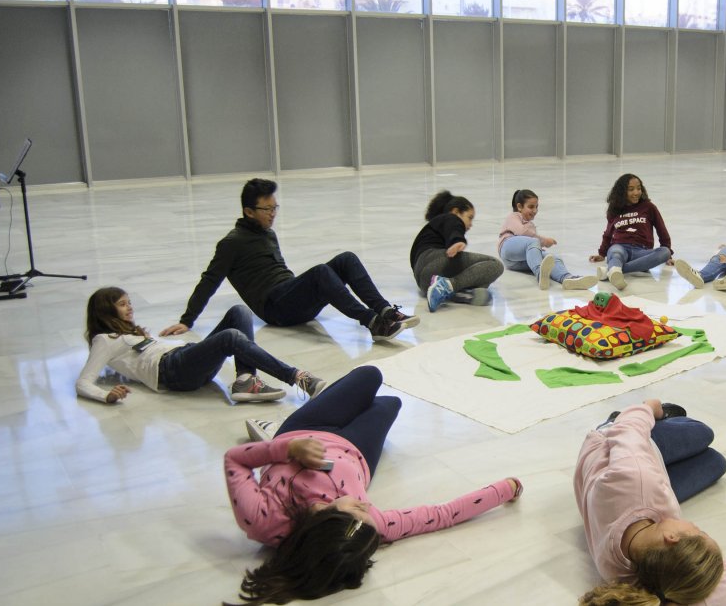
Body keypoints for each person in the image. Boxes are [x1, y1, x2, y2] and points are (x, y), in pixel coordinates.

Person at [225, 366, 522, 604]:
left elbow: (234, 461)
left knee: (372, 381)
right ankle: (344, 407)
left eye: (355, 507)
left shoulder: (263, 520)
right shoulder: (370, 526)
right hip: (357, 452)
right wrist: (506, 488)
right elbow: (443, 515)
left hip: (302, 432)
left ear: (327, 519)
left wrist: (286, 450)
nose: (366, 504)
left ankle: (273, 431)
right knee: (389, 400)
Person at [165, 178, 416, 344]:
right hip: (276, 309)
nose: (272, 215)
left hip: (291, 296)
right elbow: (210, 280)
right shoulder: (232, 243)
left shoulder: (267, 234)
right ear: (248, 211)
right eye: (267, 210)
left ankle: (385, 311)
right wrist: (187, 320)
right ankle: (373, 323)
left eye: (275, 208)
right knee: (319, 272)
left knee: (346, 259)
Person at [575, 399, 726, 606]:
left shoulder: (636, 476)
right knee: (716, 463)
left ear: (671, 537)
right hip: (626, 482)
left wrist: (650, 407)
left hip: (610, 441)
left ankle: (634, 418)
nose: (697, 527)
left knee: (703, 432)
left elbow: (626, 428)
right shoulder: (638, 580)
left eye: (700, 532)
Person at [76, 287, 323, 404]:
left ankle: (246, 379)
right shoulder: (104, 339)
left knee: (239, 312)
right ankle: (297, 377)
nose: (130, 307)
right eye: (122, 304)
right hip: (172, 370)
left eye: (129, 302)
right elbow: (83, 382)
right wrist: (105, 395)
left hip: (182, 358)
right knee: (231, 337)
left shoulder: (127, 332)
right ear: (106, 310)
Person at [410, 190, 504, 312]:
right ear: (456, 212)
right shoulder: (450, 217)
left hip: (423, 283)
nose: (470, 224)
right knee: (494, 265)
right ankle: (451, 286)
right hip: (433, 261)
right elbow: (454, 226)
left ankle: (457, 292)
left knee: (476, 278)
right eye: (469, 217)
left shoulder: (433, 228)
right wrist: (458, 240)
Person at [497, 188, 598, 290]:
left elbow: (532, 246)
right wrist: (544, 241)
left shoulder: (530, 225)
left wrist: (539, 248)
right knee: (533, 243)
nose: (535, 210)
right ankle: (540, 273)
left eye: (536, 207)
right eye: (531, 207)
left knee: (553, 258)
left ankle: (567, 278)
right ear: (519, 207)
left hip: (521, 261)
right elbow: (522, 232)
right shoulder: (514, 216)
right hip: (507, 248)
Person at [589, 174, 674, 291]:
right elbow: (608, 234)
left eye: (639, 188)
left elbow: (661, 229)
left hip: (642, 251)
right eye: (631, 189)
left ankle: (613, 270)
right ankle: (616, 269)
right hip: (620, 247)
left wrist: (669, 254)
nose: (636, 192)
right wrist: (602, 253)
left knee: (665, 252)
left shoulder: (648, 207)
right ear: (622, 192)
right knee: (615, 251)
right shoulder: (615, 210)